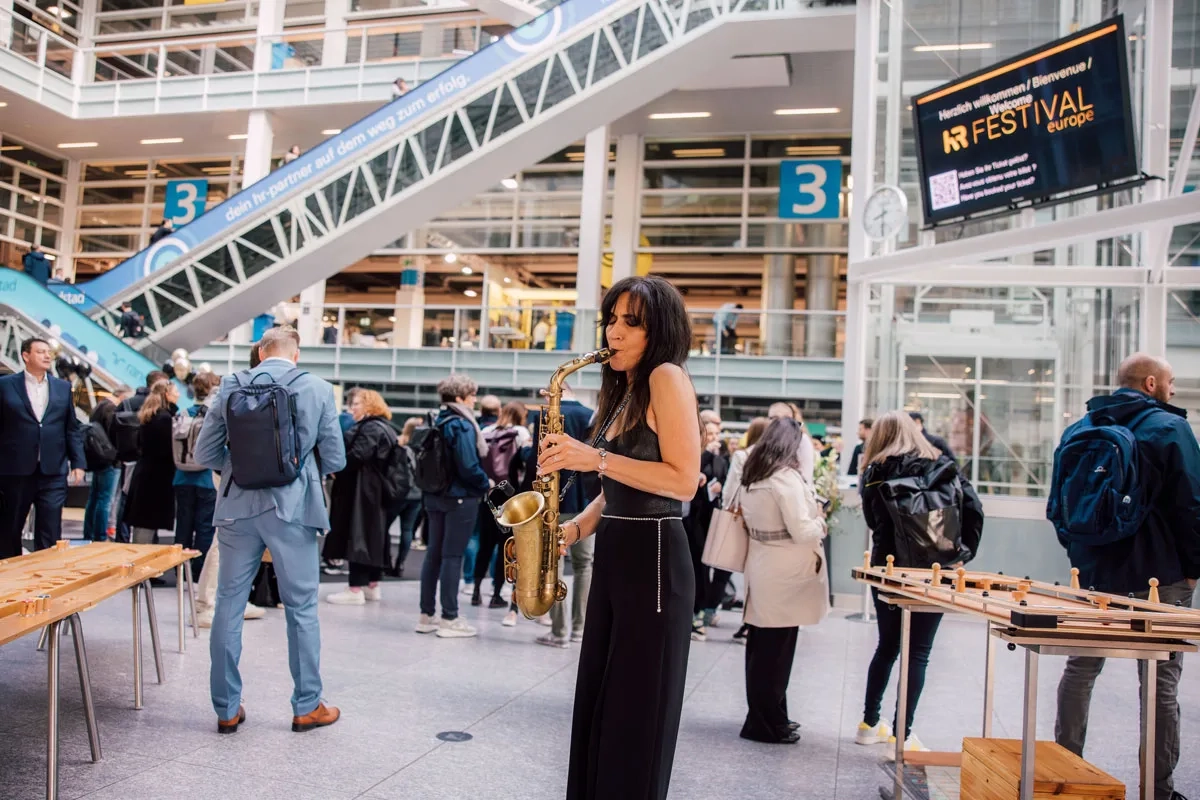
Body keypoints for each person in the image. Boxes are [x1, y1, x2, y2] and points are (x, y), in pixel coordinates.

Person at [536, 275, 701, 800]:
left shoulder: (668, 377)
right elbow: (616, 492)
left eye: (631, 322)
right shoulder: (625, 388)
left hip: (653, 563)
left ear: (661, 330)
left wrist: (593, 457)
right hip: (618, 555)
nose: (615, 332)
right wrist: (572, 527)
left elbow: (683, 481)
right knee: (601, 704)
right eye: (611, 319)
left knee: (637, 716)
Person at [1052, 353, 1200, 800]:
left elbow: (1060, 505)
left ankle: (1062, 772)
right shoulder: (1170, 429)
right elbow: (1192, 505)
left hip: (1094, 574)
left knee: (1080, 669)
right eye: (1171, 382)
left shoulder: (1080, 430)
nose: (1173, 391)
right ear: (1151, 382)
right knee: (1159, 681)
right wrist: (1193, 571)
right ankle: (1157, 789)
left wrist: (1084, 556)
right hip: (1161, 575)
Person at [195, 326, 347, 734]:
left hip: (236, 508)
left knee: (228, 602)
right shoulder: (317, 388)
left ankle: (226, 707)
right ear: (295, 355)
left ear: (260, 353)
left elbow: (204, 452)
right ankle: (307, 705)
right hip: (293, 508)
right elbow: (335, 458)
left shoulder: (230, 385)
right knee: (300, 608)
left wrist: (240, 466)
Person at [856, 411, 983, 754]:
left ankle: (869, 723)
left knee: (887, 645)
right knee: (919, 653)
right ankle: (903, 733)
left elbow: (873, 523)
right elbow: (974, 510)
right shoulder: (943, 467)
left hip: (889, 569)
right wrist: (960, 554)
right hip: (935, 572)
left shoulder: (873, 473)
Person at [738, 417, 828, 744]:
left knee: (762, 649)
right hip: (786, 571)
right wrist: (821, 523)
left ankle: (771, 716)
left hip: (762, 564)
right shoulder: (785, 478)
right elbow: (802, 529)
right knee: (777, 653)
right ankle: (766, 723)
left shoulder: (752, 475)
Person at [416, 373, 490, 639]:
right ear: (460, 397)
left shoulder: (438, 419)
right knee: (452, 556)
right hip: (460, 498)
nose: (474, 400)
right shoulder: (462, 424)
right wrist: (486, 483)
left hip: (434, 495)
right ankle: (450, 617)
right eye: (471, 395)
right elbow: (469, 466)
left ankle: (426, 615)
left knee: (433, 554)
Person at [0, 338, 85, 558]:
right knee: (10, 527)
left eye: (48, 352)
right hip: (15, 469)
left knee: (50, 530)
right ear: (26, 356)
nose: (47, 356)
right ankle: (9, 580)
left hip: (53, 469)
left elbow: (71, 428)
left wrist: (78, 462)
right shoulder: (5, 385)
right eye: (40, 352)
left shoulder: (62, 387)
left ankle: (45, 582)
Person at [531, 383, 599, 647]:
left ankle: (558, 632)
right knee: (585, 565)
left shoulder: (545, 417)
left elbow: (535, 462)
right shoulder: (590, 415)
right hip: (585, 502)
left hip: (552, 503)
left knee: (552, 564)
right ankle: (580, 629)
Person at [324, 390, 401, 605]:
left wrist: (335, 467)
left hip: (361, 492)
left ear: (369, 405)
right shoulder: (385, 427)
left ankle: (355, 588)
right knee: (373, 536)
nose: (352, 408)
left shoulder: (370, 428)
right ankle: (371, 584)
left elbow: (358, 455)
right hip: (374, 492)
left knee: (358, 536)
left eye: (356, 404)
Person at [473, 401, 532, 608]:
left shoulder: (486, 430)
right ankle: (496, 594)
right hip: (510, 497)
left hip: (488, 495)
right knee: (505, 547)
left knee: (485, 545)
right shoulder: (520, 432)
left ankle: (475, 591)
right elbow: (526, 462)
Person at [717, 415, 769, 644]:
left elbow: (730, 491)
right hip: (765, 522)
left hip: (742, 519)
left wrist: (726, 510)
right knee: (759, 572)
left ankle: (746, 621)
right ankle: (756, 621)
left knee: (739, 571)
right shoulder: (774, 458)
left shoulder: (742, 455)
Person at [173, 372, 221, 577]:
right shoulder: (212, 414)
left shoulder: (183, 413)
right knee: (204, 527)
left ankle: (179, 568)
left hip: (182, 476)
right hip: (206, 478)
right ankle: (199, 570)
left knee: (183, 524)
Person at [687, 417, 728, 641]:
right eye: (709, 434)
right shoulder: (693, 455)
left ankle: (704, 610)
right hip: (691, 519)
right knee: (697, 565)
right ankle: (696, 612)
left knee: (708, 566)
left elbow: (724, 484)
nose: (714, 439)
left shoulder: (720, 460)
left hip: (711, 518)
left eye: (716, 434)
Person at [123, 380, 179, 544]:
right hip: (156, 479)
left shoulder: (150, 416)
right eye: (175, 391)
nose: (178, 394)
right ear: (166, 394)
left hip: (145, 476)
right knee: (146, 526)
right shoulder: (164, 419)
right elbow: (167, 450)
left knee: (144, 523)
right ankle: (141, 566)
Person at [82, 385, 132, 542]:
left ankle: (89, 534)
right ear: (122, 395)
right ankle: (100, 536)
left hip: (98, 458)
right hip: (110, 460)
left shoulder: (99, 406)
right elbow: (114, 434)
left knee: (94, 498)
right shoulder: (111, 409)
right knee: (106, 500)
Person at [387, 417, 425, 576]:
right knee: (407, 530)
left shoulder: (400, 445)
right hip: (417, 494)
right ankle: (400, 564)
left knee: (385, 526)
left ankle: (386, 561)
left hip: (399, 492)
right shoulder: (425, 448)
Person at [767, 401, 815, 483]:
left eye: (776, 418)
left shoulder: (801, 440)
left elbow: (806, 475)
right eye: (771, 418)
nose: (773, 422)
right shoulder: (766, 437)